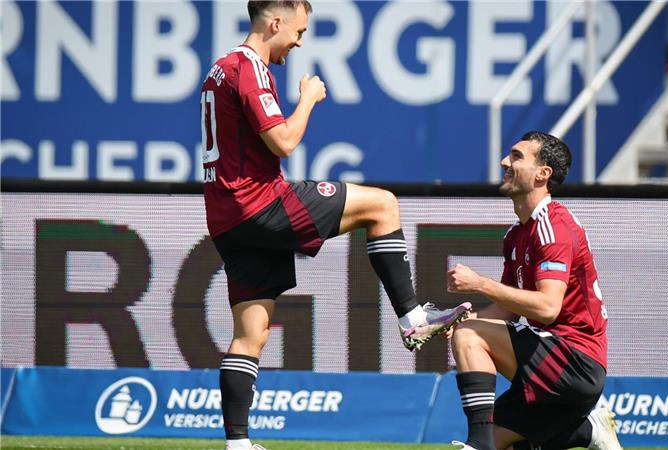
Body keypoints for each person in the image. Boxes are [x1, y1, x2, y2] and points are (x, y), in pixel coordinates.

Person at [200, 2, 471, 449]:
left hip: (227, 218)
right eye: (298, 30)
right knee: (382, 205)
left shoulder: (218, 70)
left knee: (251, 335)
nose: (300, 41)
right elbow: (283, 141)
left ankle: (237, 443)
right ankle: (412, 318)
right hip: (259, 202)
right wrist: (307, 99)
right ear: (275, 22)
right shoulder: (248, 67)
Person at [446, 132, 622, 450]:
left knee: (470, 337)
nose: (504, 162)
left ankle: (477, 445)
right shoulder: (517, 234)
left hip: (576, 362)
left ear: (543, 173)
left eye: (516, 156)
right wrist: (465, 319)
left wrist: (480, 285)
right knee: (506, 443)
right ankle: (587, 431)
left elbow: (547, 308)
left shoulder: (552, 227)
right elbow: (508, 309)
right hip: (554, 364)